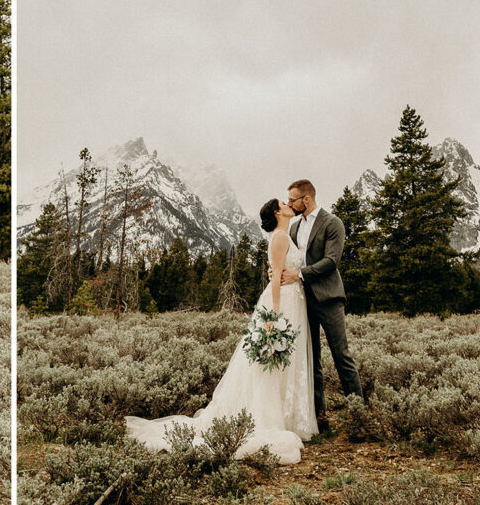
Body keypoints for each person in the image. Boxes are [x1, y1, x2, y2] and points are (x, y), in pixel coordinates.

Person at [126, 197, 316, 464]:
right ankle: (268, 417)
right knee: (269, 364)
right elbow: (274, 279)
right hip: (282, 301)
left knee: (281, 361)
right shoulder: (280, 237)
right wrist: (274, 313)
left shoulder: (285, 234)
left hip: (292, 300)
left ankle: (287, 415)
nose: (288, 204)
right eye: (284, 203)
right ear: (277, 212)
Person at [277, 179, 362, 429]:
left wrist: (299, 275)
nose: (289, 203)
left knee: (341, 356)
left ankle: (358, 418)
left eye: (292, 199)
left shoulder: (332, 223)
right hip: (302, 301)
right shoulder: (293, 228)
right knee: (310, 358)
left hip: (329, 299)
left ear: (306, 198)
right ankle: (319, 416)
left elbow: (331, 261)